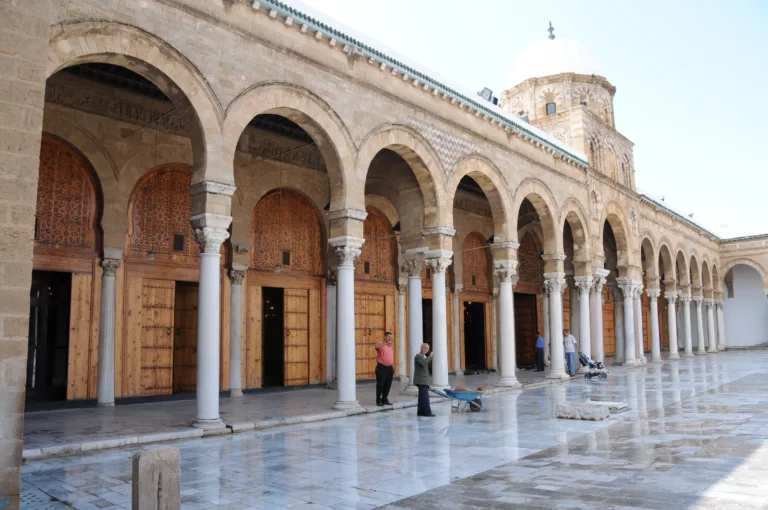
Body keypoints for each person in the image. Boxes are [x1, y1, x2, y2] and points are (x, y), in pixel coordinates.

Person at [413, 343, 435, 417]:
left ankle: (420, 412)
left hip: (424, 381)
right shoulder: (418, 356)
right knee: (425, 398)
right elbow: (423, 363)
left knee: (422, 397)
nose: (425, 349)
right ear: (421, 348)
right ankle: (427, 412)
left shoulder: (424, 356)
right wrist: (430, 356)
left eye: (427, 348)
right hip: (421, 380)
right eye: (424, 347)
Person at [375, 331, 395, 406]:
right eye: (389, 337)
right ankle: (378, 400)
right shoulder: (381, 345)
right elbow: (376, 346)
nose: (390, 338)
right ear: (385, 337)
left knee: (388, 385)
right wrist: (385, 343)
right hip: (381, 368)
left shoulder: (390, 347)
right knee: (380, 385)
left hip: (389, 368)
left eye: (391, 337)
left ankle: (384, 399)